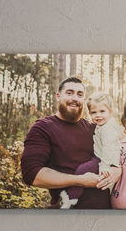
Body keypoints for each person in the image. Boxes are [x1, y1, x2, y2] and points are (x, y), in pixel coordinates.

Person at [19, 76, 114, 209]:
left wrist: (115, 175)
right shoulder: (43, 128)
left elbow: (117, 155)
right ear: (58, 96)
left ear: (84, 100)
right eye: (69, 93)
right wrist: (80, 181)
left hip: (105, 211)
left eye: (79, 94)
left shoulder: (95, 129)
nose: (75, 98)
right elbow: (32, 174)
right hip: (69, 211)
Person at [86, 92, 126, 197]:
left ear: (110, 112)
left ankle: (70, 196)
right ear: (89, 114)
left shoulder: (107, 128)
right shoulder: (103, 125)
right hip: (103, 158)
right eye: (94, 112)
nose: (98, 115)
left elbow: (108, 147)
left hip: (108, 161)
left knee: (83, 170)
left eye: (102, 111)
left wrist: (104, 165)